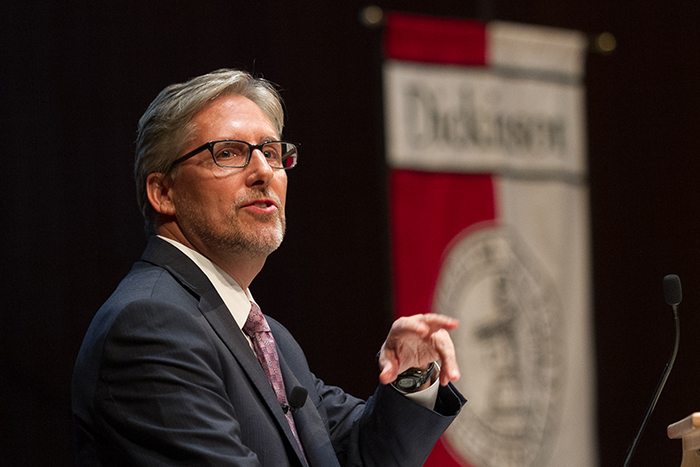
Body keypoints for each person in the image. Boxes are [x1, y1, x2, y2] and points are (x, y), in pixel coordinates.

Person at [72, 68, 466, 467]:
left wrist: (415, 378)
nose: (263, 171)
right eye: (228, 152)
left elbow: (358, 452)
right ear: (163, 192)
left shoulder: (266, 335)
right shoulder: (151, 325)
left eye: (272, 152)